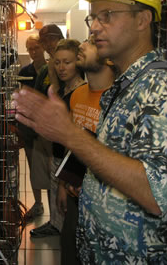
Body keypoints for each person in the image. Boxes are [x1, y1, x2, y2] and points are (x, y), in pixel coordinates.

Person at [12, 0, 167, 263]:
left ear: (143, 19)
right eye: (93, 17)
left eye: (107, 16)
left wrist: (70, 134)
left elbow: (157, 194)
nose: (94, 27)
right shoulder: (122, 87)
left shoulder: (163, 88)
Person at [56, 36, 115, 264]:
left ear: (109, 58)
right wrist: (62, 184)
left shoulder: (117, 101)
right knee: (69, 251)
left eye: (91, 42)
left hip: (103, 204)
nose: (81, 45)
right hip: (74, 197)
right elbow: (72, 145)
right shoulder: (78, 95)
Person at [31, 38, 85, 238]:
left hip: (70, 161)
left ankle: (64, 234)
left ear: (78, 63)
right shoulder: (60, 90)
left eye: (67, 62)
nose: (62, 67)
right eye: (58, 62)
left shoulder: (81, 92)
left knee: (67, 208)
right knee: (56, 198)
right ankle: (56, 226)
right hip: (57, 155)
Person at [25, 24, 64, 236]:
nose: (46, 45)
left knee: (62, 178)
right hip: (45, 133)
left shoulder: (70, 63)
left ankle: (61, 223)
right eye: (43, 41)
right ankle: (54, 221)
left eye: (48, 39)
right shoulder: (44, 70)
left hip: (63, 132)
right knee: (50, 178)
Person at [17, 35, 47, 221]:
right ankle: (38, 203)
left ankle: (56, 213)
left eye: (36, 48)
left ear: (42, 47)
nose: (33, 52)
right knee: (31, 164)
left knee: (50, 169)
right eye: (30, 49)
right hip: (29, 127)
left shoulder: (51, 70)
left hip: (47, 128)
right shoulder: (25, 71)